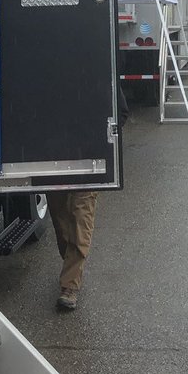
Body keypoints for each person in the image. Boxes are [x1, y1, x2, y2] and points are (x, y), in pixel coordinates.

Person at [49, 86, 128, 311]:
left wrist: (101, 143)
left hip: (90, 160)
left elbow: (121, 112)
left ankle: (70, 286)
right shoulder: (50, 72)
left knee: (80, 217)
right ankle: (72, 264)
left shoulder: (97, 67)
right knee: (60, 218)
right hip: (55, 160)